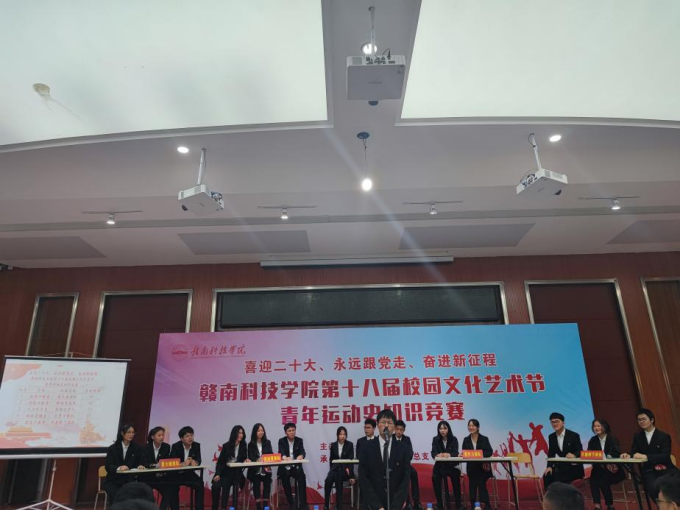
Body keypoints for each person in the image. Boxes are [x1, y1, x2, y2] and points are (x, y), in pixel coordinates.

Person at [358, 409, 411, 510]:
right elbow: (363, 477)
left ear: (394, 427)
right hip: (373, 505)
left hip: (395, 505)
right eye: (383, 422)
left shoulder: (403, 448)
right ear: (378, 425)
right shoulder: (366, 447)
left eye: (389, 423)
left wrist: (396, 506)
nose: (386, 425)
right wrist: (377, 506)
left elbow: (406, 478)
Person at [621, 408, 677, 501]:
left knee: (676, 483)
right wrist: (628, 455)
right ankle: (661, 505)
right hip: (649, 470)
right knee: (653, 486)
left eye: (644, 419)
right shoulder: (638, 436)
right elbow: (634, 451)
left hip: (666, 468)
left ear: (652, 420)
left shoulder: (664, 436)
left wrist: (646, 456)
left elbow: (665, 456)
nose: (641, 422)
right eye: (639, 420)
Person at [587, 419, 625, 510]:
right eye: (594, 426)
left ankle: (610, 505)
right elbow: (589, 453)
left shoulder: (612, 439)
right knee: (593, 480)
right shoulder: (593, 440)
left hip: (612, 468)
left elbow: (617, 452)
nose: (596, 428)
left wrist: (609, 456)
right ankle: (597, 505)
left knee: (603, 481)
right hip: (598, 467)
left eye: (598, 426)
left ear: (604, 426)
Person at [104, 423, 144, 502]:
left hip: (129, 481)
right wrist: (119, 468)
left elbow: (140, 461)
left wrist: (140, 465)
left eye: (133, 432)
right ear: (122, 433)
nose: (131, 434)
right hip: (113, 481)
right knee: (118, 496)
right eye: (129, 432)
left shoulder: (137, 448)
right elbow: (108, 466)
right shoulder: (113, 448)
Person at [542, 412, 584, 488]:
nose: (555, 424)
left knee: (562, 477)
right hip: (561, 466)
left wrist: (574, 455)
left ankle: (563, 495)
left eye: (557, 421)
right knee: (547, 475)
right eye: (552, 422)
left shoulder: (574, 435)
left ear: (563, 422)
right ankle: (550, 495)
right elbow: (551, 453)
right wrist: (549, 466)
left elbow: (580, 450)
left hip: (573, 466)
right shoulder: (551, 437)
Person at [141, 426, 178, 510]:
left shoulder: (166, 447)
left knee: (169, 491)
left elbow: (167, 460)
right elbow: (144, 462)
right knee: (148, 493)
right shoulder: (145, 447)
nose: (162, 437)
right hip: (148, 478)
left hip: (160, 478)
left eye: (163, 435)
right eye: (159, 435)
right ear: (152, 437)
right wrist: (154, 465)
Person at [212, 425, 247, 510]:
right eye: (239, 433)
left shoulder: (243, 446)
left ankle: (227, 507)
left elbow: (244, 458)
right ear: (234, 434)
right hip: (224, 472)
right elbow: (220, 462)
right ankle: (217, 507)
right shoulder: (226, 446)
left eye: (242, 433)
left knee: (228, 482)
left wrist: (246, 460)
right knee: (217, 485)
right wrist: (218, 474)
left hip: (237, 473)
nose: (241, 435)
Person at [170, 425, 204, 510]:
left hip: (189, 474)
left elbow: (199, 460)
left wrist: (195, 462)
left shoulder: (196, 445)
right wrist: (183, 464)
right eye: (187, 436)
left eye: (191, 435)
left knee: (200, 484)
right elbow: (173, 461)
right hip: (176, 474)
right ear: (181, 438)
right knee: (173, 487)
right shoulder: (175, 446)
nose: (190, 438)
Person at [462, 419, 493, 510]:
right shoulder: (466, 440)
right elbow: (465, 453)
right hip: (472, 468)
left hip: (483, 468)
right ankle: (485, 503)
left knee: (478, 479)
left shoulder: (484, 439)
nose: (471, 427)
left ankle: (475, 503)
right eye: (469, 426)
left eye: (473, 426)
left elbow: (489, 452)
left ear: (478, 427)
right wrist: (464, 454)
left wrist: (479, 454)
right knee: (475, 479)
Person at [431, 420, 462, 510]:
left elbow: (455, 452)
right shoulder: (435, 439)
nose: (442, 430)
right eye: (440, 429)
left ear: (448, 429)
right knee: (435, 477)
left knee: (456, 477)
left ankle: (458, 504)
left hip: (451, 466)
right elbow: (433, 452)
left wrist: (448, 454)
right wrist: (438, 455)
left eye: (445, 428)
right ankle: (440, 504)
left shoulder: (454, 439)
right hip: (440, 466)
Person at [277, 422, 308, 509]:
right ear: (285, 432)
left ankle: (302, 503)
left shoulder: (299, 440)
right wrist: (284, 457)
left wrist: (301, 456)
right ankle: (291, 502)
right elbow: (281, 452)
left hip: (296, 467)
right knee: (284, 477)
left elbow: (303, 452)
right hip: (285, 467)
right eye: (289, 431)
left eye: (293, 430)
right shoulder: (282, 441)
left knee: (302, 477)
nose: (292, 432)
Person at [324, 426, 355, 510]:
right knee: (328, 480)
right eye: (340, 434)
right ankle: (326, 505)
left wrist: (351, 475)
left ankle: (339, 507)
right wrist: (331, 470)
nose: (342, 436)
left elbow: (351, 460)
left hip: (345, 471)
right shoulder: (333, 445)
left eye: (344, 434)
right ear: (337, 435)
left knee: (339, 477)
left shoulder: (349, 445)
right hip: (334, 470)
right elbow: (331, 460)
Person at [394, 420, 423, 510]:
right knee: (401, 476)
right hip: (394, 466)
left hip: (405, 465)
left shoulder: (407, 439)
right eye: (397, 429)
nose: (399, 431)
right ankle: (407, 501)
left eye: (401, 430)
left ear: (404, 430)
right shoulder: (390, 439)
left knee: (413, 473)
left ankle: (416, 501)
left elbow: (410, 453)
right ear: (394, 429)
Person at [246, 423, 274, 510]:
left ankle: (265, 503)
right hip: (255, 470)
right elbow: (250, 456)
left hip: (266, 469)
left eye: (262, 430)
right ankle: (258, 504)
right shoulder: (251, 444)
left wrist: (265, 458)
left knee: (267, 482)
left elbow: (271, 454)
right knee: (256, 482)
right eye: (259, 431)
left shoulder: (267, 442)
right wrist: (257, 459)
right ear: (255, 432)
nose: (261, 432)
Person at [356, 418, 377, 508]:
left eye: (368, 428)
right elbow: (358, 455)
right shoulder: (360, 441)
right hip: (364, 470)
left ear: (374, 428)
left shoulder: (378, 441)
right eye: (365, 428)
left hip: (376, 470)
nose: (366, 430)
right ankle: (365, 506)